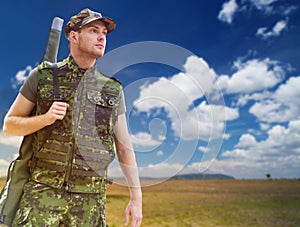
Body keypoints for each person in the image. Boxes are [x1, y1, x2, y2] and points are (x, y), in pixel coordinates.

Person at [3, 8, 142, 227]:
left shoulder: (112, 90)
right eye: (94, 30)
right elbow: (10, 126)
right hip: (42, 197)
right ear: (73, 36)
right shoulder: (43, 77)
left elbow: (124, 148)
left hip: (89, 204)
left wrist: (136, 198)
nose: (101, 37)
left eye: (104, 33)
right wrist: (45, 118)